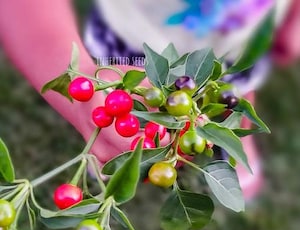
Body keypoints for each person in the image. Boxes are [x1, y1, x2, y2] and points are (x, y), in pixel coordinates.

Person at [0, 0, 299, 200]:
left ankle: (237, 140)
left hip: (243, 39)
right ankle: (132, 147)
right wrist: (84, 79)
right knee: (135, 111)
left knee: (233, 95)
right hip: (133, 36)